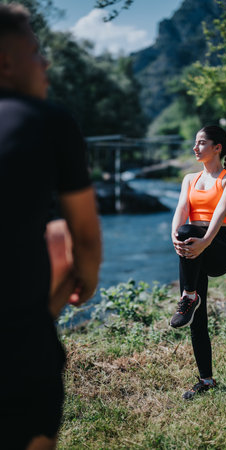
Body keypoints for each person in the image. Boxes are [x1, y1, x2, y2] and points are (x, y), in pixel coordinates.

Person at [0, 4, 102, 449]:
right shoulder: (49, 121)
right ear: (5, 61)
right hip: (18, 345)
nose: (46, 63)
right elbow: (83, 237)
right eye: (36, 51)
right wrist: (85, 279)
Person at [171, 125, 226, 400]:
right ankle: (206, 380)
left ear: (217, 148)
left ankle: (188, 295)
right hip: (192, 247)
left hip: (218, 248)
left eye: (201, 142)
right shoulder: (189, 178)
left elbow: (219, 214)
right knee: (196, 319)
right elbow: (181, 209)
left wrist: (204, 241)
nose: (195, 147)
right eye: (195, 142)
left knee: (189, 231)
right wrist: (174, 239)